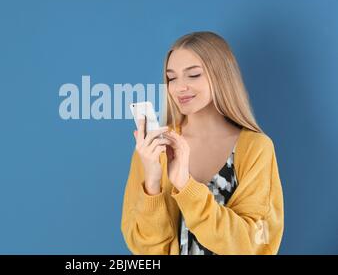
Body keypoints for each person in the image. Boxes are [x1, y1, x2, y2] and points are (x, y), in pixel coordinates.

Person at [121, 31, 284, 255]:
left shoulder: (256, 148)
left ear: (221, 76)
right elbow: (145, 250)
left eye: (194, 75)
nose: (180, 87)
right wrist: (152, 182)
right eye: (172, 77)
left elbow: (255, 244)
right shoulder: (155, 148)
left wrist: (187, 187)